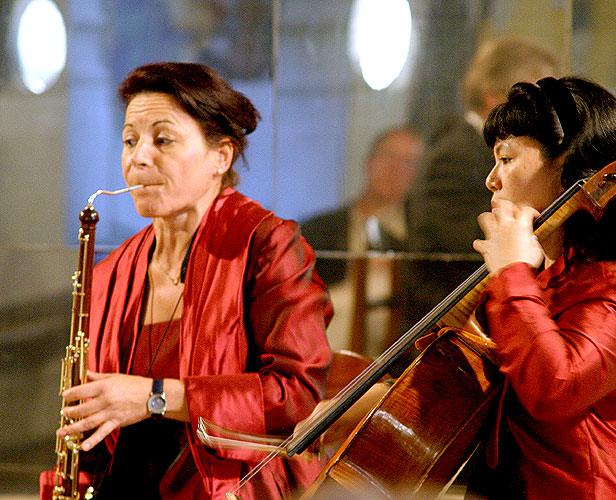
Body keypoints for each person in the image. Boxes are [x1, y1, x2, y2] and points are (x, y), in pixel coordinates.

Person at [41, 62, 332, 500]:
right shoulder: (110, 271)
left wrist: (156, 397)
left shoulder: (268, 246)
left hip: (227, 488)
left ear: (221, 156)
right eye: (129, 140)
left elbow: (296, 393)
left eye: (163, 140)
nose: (138, 157)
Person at [463, 76, 616, 499]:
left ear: (566, 166)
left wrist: (511, 273)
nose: (492, 180)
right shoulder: (543, 278)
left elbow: (556, 387)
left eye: (506, 159)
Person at [404, 36, 560, 326]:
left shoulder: (470, 148)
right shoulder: (452, 155)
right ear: (494, 97)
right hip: (454, 320)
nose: (549, 111)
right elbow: (460, 242)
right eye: (536, 97)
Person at [301, 127, 424, 355]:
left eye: (408, 162)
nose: (395, 169)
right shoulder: (320, 228)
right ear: (369, 161)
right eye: (389, 156)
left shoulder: (421, 235)